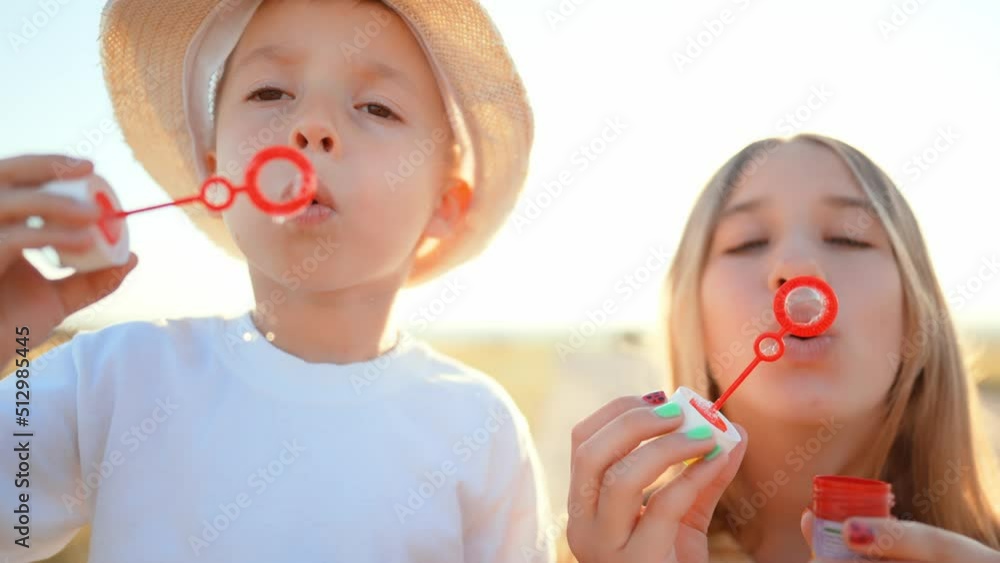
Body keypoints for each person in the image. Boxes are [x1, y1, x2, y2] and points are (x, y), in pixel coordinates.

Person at [0, 0, 552, 561]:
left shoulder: (480, 427)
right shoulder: (106, 383)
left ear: (445, 204)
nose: (310, 127)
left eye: (377, 107)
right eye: (270, 93)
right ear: (214, 170)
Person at [564, 134, 1000, 562]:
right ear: (693, 315)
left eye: (847, 237)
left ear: (916, 310)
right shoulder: (617, 549)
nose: (796, 267)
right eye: (748, 242)